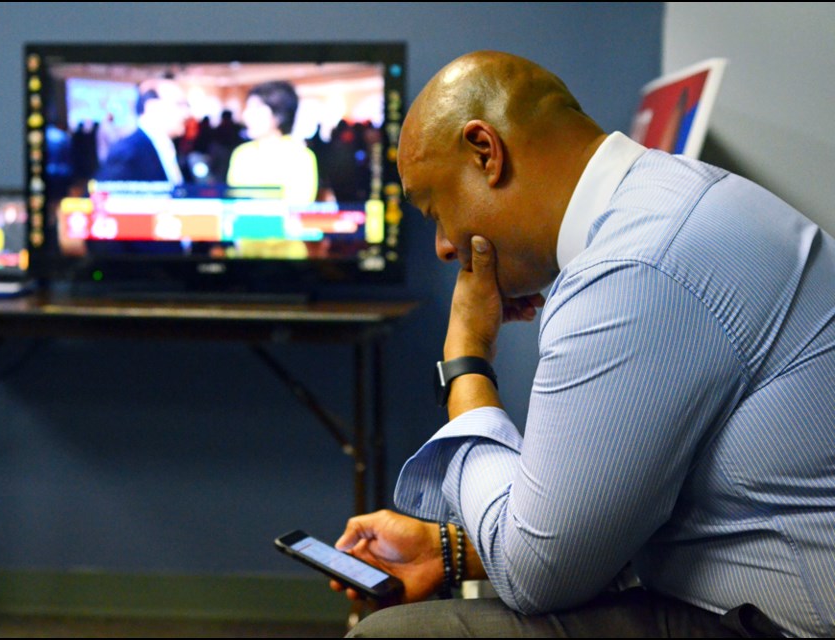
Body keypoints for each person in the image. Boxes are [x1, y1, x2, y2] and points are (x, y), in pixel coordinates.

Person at [333, 51, 835, 638]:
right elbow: (615, 508)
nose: (446, 245)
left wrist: (466, 362)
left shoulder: (633, 266)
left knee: (389, 637)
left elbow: (536, 576)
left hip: (792, 624)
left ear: (485, 153)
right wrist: (451, 550)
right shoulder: (666, 202)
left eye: (436, 210)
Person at [226, 80, 319, 205]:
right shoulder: (241, 154)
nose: (246, 115)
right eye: (247, 107)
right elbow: (234, 201)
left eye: (257, 108)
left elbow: (298, 207)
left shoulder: (300, 157)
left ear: (279, 115)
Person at [94, 77, 190, 184]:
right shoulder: (128, 152)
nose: (187, 113)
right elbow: (102, 195)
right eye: (180, 104)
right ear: (153, 106)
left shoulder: (166, 147)